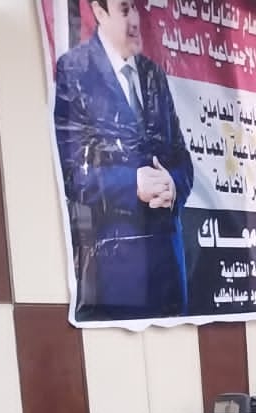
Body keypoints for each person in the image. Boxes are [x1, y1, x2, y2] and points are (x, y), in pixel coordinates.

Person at [53, 0, 193, 321]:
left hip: (169, 273)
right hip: (115, 278)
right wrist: (133, 183)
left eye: (137, 9)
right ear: (99, 12)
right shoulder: (76, 71)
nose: (135, 20)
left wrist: (172, 183)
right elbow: (73, 174)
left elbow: (182, 158)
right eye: (125, 9)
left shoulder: (153, 75)